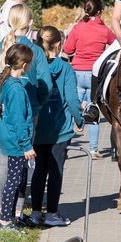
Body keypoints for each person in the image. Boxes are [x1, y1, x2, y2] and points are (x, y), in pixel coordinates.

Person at [29, 26, 84, 227]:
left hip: (37, 128)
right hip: (60, 130)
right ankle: (52, 212)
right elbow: (71, 98)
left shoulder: (33, 67)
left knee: (39, 171)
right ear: (59, 45)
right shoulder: (66, 69)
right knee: (56, 170)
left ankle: (35, 212)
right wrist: (79, 119)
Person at [0, 44, 37, 232]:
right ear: (24, 65)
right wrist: (26, 145)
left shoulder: (8, 83)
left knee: (17, 178)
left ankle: (12, 216)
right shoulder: (16, 89)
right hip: (17, 143)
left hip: (9, 140)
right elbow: (18, 120)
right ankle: (5, 219)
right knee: (14, 181)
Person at [64, 0, 115, 159]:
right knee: (94, 113)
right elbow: (115, 45)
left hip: (77, 72)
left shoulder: (78, 28)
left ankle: (66, 146)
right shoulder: (104, 30)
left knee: (72, 109)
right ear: (100, 12)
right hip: (95, 74)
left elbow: (68, 49)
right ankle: (93, 150)